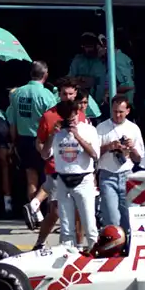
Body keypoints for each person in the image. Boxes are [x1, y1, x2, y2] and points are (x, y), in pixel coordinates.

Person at [28, 77, 86, 249]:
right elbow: (39, 142)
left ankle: (79, 246)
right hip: (55, 168)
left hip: (78, 169)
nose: (67, 97)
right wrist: (46, 149)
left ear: (75, 94)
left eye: (70, 94)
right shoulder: (49, 116)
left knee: (78, 212)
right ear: (59, 94)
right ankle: (40, 242)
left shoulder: (81, 115)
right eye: (64, 94)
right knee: (55, 212)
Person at [41, 99, 100, 248]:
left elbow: (94, 154)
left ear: (78, 114)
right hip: (62, 179)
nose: (71, 122)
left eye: (73, 118)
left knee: (89, 224)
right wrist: (51, 135)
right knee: (66, 227)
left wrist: (77, 136)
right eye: (67, 120)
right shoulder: (58, 133)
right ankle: (67, 253)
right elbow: (44, 154)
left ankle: (95, 251)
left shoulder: (89, 130)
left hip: (83, 178)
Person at [7, 61, 58, 208]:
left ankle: (35, 214)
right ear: (45, 75)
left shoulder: (17, 93)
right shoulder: (47, 95)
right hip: (42, 141)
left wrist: (13, 142)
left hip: (23, 140)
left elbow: (13, 122)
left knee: (31, 178)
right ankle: (47, 212)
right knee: (49, 178)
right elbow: (52, 122)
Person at [97, 95, 144, 238]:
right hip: (107, 175)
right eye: (115, 111)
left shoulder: (133, 128)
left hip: (127, 175)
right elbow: (94, 153)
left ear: (128, 111)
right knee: (112, 218)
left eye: (121, 112)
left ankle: (129, 248)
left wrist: (132, 148)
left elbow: (138, 159)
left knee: (130, 217)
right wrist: (109, 146)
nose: (117, 115)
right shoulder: (101, 127)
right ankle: (114, 247)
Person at [69, 32, 107, 105]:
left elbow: (101, 81)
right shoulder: (77, 60)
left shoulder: (101, 61)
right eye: (86, 46)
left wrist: (90, 81)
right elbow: (71, 79)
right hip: (79, 101)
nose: (88, 49)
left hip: (98, 101)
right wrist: (81, 80)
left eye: (91, 46)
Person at [98, 34, 135, 109]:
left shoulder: (117, 60)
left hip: (122, 105)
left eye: (100, 46)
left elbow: (129, 85)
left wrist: (108, 92)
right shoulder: (115, 58)